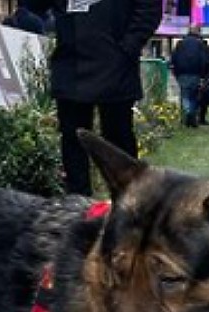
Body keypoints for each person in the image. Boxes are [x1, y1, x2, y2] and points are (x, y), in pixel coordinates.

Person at [24, 0, 162, 195]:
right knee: (73, 139)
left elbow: (149, 9)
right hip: (71, 64)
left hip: (115, 64)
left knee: (117, 140)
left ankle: (129, 201)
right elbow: (35, 6)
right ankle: (78, 204)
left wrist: (128, 46)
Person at [169, 26, 209, 127]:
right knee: (194, 96)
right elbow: (204, 60)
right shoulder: (200, 44)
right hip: (196, 74)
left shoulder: (180, 43)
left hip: (182, 74)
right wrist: (203, 74)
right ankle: (192, 115)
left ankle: (187, 113)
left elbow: (173, 58)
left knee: (185, 95)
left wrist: (176, 72)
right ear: (198, 32)